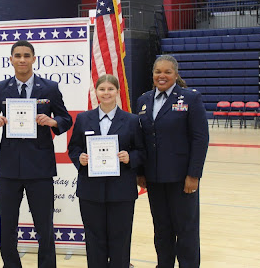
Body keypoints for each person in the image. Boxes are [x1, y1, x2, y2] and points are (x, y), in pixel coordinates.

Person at [0, 40, 73, 268]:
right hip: (9, 167)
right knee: (7, 225)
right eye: (17, 55)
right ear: (11, 60)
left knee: (44, 225)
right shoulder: (1, 88)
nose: (22, 59)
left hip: (40, 167)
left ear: (34, 59)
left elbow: (66, 119)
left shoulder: (49, 88)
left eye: (26, 55)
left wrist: (52, 121)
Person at [136, 55, 209, 268]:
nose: (162, 76)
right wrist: (140, 172)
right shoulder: (143, 100)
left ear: (176, 74)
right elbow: (140, 139)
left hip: (181, 178)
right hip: (154, 178)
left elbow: (200, 138)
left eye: (167, 72)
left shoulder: (190, 99)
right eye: (158, 71)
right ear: (152, 74)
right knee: (161, 229)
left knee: (185, 229)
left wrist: (193, 175)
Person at [68, 74, 145, 268]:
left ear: (118, 92)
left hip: (121, 191)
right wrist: (80, 159)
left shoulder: (131, 120)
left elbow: (143, 151)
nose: (106, 93)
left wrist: (131, 158)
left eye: (111, 89)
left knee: (121, 238)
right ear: (96, 92)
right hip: (91, 191)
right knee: (94, 238)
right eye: (102, 89)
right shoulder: (84, 119)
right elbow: (74, 148)